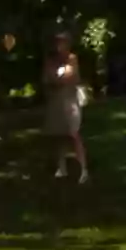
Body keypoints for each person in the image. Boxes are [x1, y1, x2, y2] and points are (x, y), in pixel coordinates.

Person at [44, 32, 90, 183]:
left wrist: (57, 79)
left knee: (74, 134)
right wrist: (57, 79)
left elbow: (69, 76)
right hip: (57, 101)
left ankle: (83, 169)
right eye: (58, 43)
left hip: (70, 100)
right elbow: (47, 78)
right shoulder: (51, 61)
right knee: (60, 135)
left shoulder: (72, 58)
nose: (60, 46)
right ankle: (62, 167)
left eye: (63, 43)